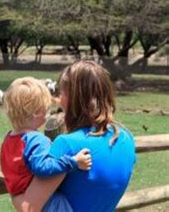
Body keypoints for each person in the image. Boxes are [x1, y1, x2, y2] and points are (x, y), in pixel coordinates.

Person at [12, 61, 137, 212]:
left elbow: (28, 207)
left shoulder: (67, 144)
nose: (59, 100)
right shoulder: (126, 139)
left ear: (74, 98)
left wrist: (11, 184)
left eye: (62, 93)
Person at [0, 77, 92, 212]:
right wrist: (74, 161)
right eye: (46, 109)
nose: (47, 113)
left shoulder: (9, 139)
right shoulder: (36, 140)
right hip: (47, 202)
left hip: (22, 196)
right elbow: (43, 167)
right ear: (36, 112)